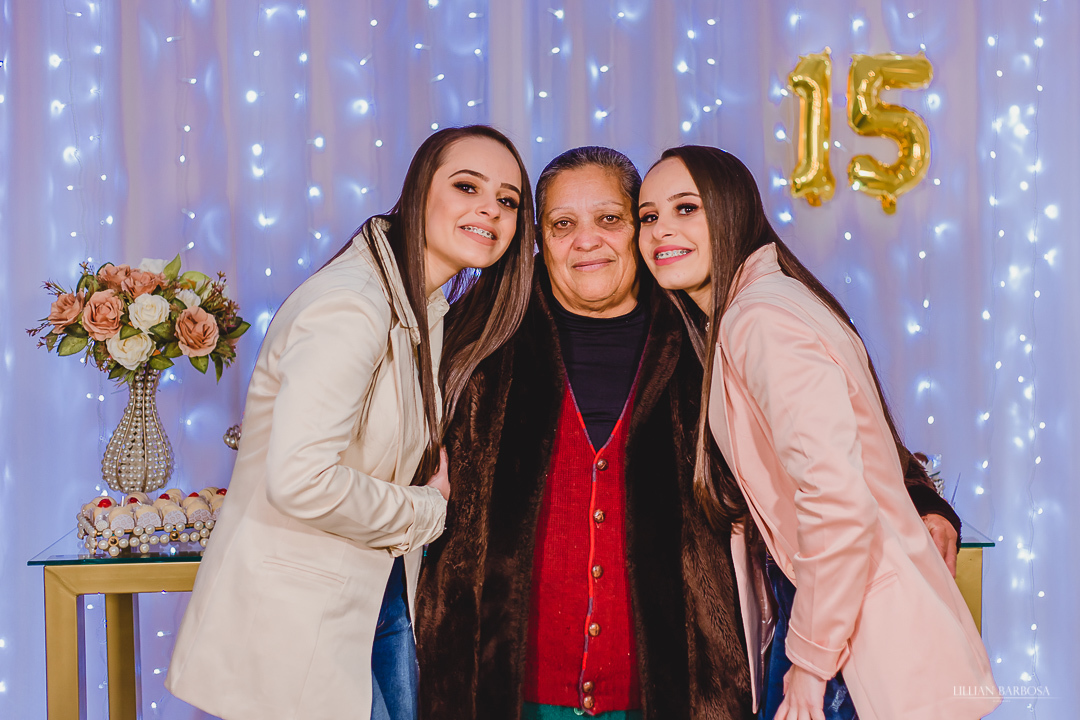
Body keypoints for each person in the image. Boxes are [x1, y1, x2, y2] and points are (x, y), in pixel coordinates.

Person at [415, 146, 962, 720]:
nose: (586, 241)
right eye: (562, 224)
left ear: (638, 231)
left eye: (610, 219)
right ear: (539, 239)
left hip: (679, 683)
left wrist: (920, 497)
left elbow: (834, 429)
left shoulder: (708, 329)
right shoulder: (481, 338)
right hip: (499, 682)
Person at [166, 125, 536, 720]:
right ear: (419, 191)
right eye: (467, 186)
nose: (490, 208)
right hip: (300, 619)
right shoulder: (353, 305)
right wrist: (428, 508)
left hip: (373, 601)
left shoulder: (420, 306)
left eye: (508, 200)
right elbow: (301, 480)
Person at [636, 145, 999, 720]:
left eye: (686, 208)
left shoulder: (760, 318)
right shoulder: (756, 308)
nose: (661, 230)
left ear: (731, 210)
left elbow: (837, 500)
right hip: (832, 618)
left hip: (846, 640)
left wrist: (808, 666)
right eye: (648, 216)